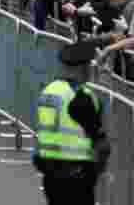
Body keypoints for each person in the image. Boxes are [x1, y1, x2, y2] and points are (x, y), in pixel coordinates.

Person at [33, 40, 110, 205]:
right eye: (89, 66)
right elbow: (100, 141)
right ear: (82, 68)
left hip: (50, 170)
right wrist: (98, 169)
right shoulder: (82, 97)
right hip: (77, 173)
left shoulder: (49, 91)